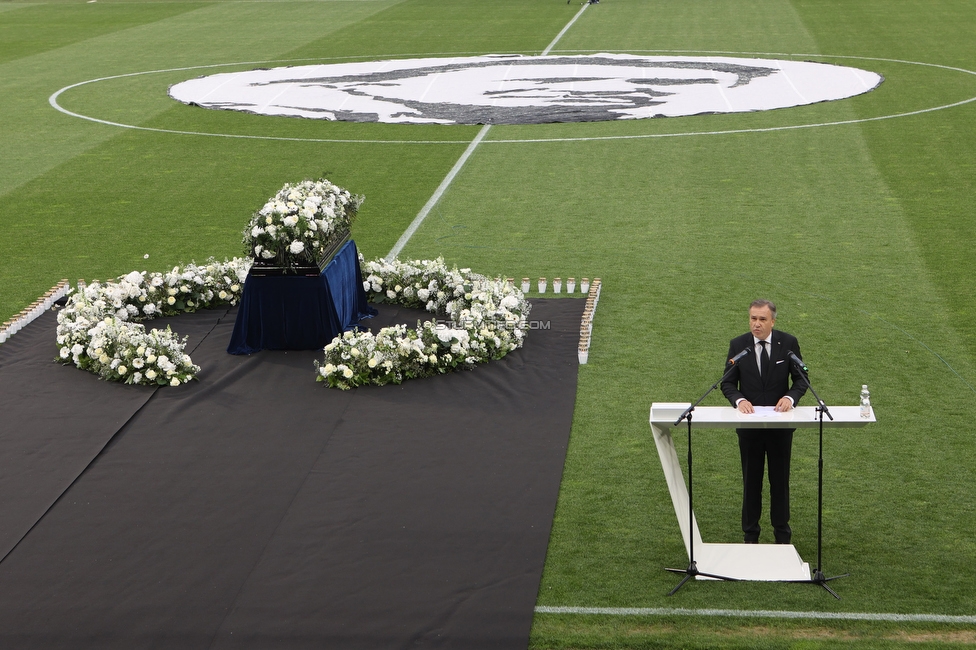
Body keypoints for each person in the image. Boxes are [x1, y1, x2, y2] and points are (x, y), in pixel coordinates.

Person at [721, 299, 807, 544]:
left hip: (780, 428)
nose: (756, 324)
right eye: (752, 319)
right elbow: (727, 382)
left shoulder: (788, 344)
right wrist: (739, 400)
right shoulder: (738, 345)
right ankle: (751, 536)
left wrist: (790, 397)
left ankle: (782, 536)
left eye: (761, 320)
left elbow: (801, 379)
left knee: (780, 482)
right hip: (750, 429)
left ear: (773, 321)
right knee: (751, 482)